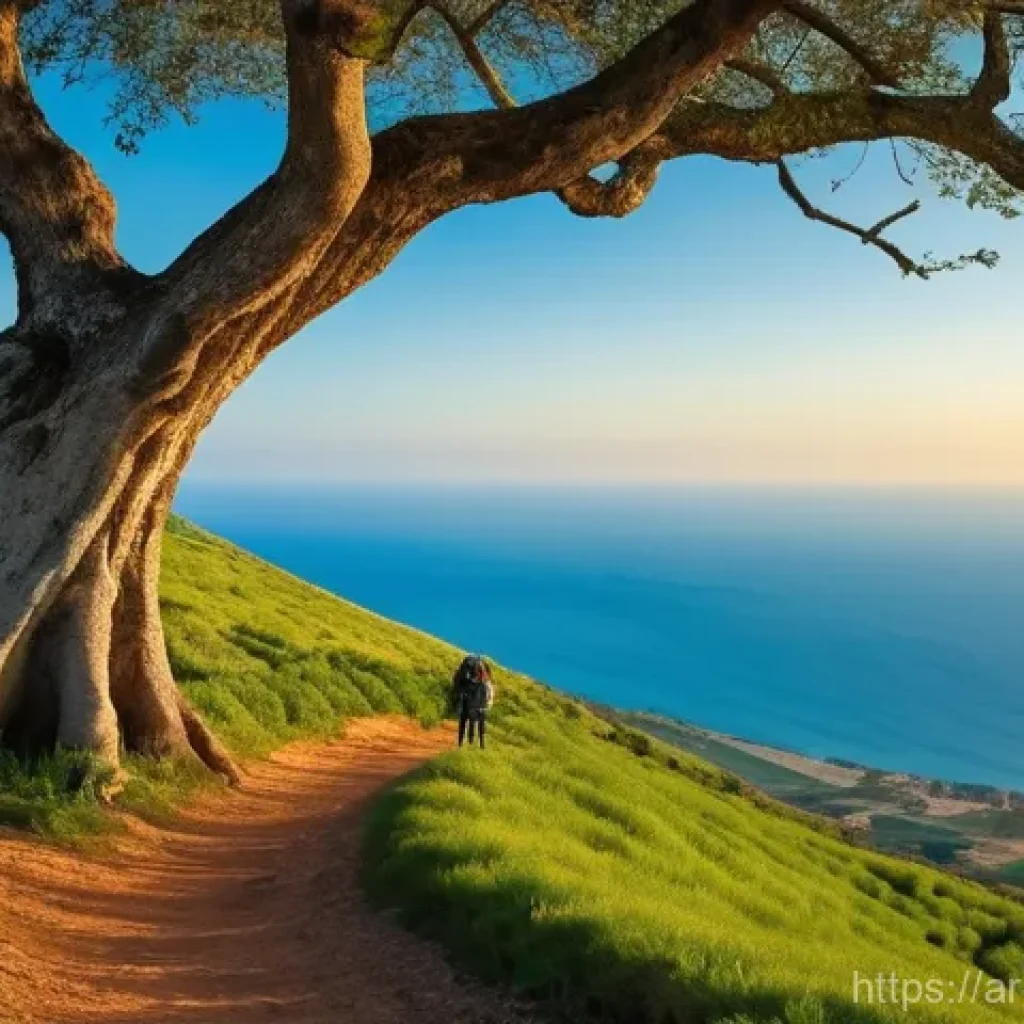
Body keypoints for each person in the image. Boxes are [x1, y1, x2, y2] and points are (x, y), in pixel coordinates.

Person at [452, 654, 495, 749]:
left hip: (468, 697)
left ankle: (462, 743)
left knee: (463, 720)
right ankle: (476, 743)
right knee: (475, 721)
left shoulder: (465, 670)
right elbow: (487, 685)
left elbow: (457, 684)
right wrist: (487, 703)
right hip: (476, 701)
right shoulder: (482, 669)